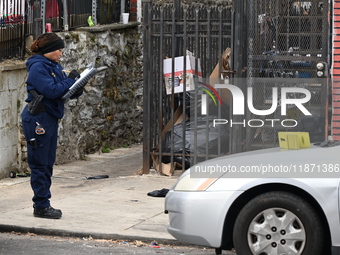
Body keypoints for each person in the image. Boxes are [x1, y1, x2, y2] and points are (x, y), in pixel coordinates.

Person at [21, 32, 82, 219]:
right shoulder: (38, 68)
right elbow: (52, 90)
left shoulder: (53, 66)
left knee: (47, 163)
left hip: (49, 117)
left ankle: (43, 203)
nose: (61, 54)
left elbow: (62, 92)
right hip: (38, 118)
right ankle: (41, 205)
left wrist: (78, 84)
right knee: (39, 163)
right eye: (59, 50)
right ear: (48, 50)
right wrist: (70, 80)